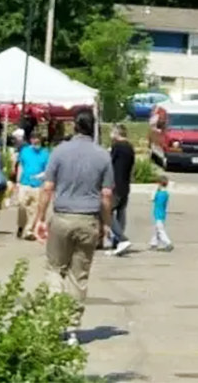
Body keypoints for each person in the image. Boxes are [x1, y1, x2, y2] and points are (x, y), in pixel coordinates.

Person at [34, 110, 114, 346]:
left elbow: (48, 187)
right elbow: (107, 194)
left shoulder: (60, 152)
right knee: (78, 275)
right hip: (88, 218)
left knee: (54, 268)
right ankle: (72, 328)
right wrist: (106, 224)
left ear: (75, 127)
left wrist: (39, 218)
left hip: (63, 216)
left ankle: (54, 317)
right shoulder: (102, 156)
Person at [14, 131, 51, 240]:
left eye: (38, 138)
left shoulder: (45, 153)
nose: (36, 141)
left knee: (34, 209)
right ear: (31, 140)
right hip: (24, 183)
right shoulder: (25, 151)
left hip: (38, 184)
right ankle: (21, 225)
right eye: (34, 138)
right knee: (22, 205)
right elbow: (21, 165)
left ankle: (29, 231)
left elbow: (48, 169)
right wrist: (17, 181)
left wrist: (42, 178)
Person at [107, 124, 136, 256]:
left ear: (116, 133)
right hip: (125, 184)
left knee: (107, 211)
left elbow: (109, 164)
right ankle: (117, 242)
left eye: (112, 132)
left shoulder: (117, 146)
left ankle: (121, 238)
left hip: (116, 184)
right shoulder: (130, 147)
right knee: (121, 212)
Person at [148, 174, 174, 251]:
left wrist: (155, 190)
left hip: (158, 215)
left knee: (160, 230)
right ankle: (154, 243)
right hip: (162, 214)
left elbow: (151, 199)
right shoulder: (166, 194)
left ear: (159, 184)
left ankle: (168, 243)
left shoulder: (158, 194)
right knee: (157, 230)